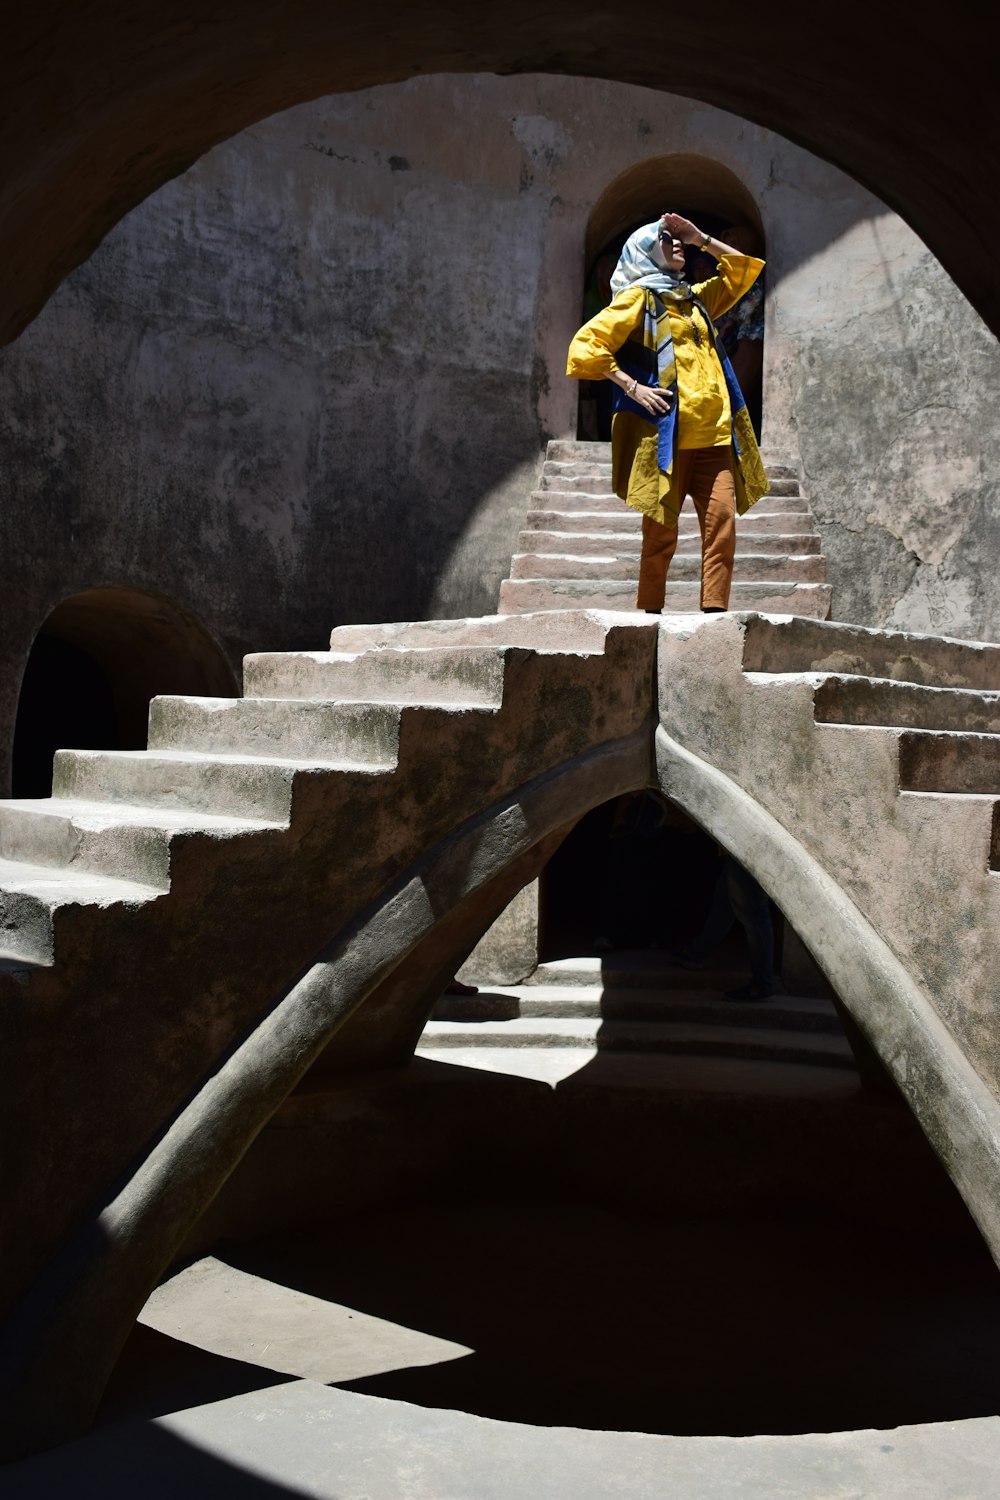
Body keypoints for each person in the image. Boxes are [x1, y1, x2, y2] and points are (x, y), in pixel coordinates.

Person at [566, 212, 768, 613]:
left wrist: (702, 238)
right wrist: (633, 387)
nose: (676, 244)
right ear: (644, 252)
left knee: (722, 525)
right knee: (660, 534)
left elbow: (743, 273)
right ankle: (650, 613)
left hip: (714, 435)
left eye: (677, 239)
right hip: (668, 440)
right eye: (665, 239)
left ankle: (714, 612)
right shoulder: (638, 298)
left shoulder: (695, 299)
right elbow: (584, 347)